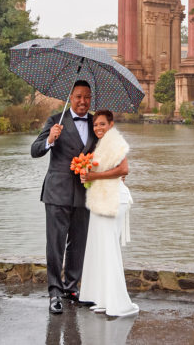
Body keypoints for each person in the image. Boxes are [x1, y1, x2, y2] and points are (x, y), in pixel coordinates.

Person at [31, 80, 97, 314]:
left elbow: (102, 155)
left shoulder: (94, 123)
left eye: (87, 97)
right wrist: (50, 139)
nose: (83, 101)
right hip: (57, 192)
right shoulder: (55, 121)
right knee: (56, 245)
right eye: (78, 97)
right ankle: (55, 293)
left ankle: (71, 288)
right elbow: (34, 150)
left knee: (78, 245)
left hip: (83, 192)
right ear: (70, 97)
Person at [78, 109, 139, 317]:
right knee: (101, 249)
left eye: (102, 124)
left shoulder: (115, 141)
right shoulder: (102, 145)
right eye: (95, 125)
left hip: (114, 201)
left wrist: (95, 176)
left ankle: (119, 304)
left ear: (111, 124)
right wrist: (86, 177)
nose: (98, 128)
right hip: (101, 200)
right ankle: (103, 300)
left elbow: (124, 169)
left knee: (109, 249)